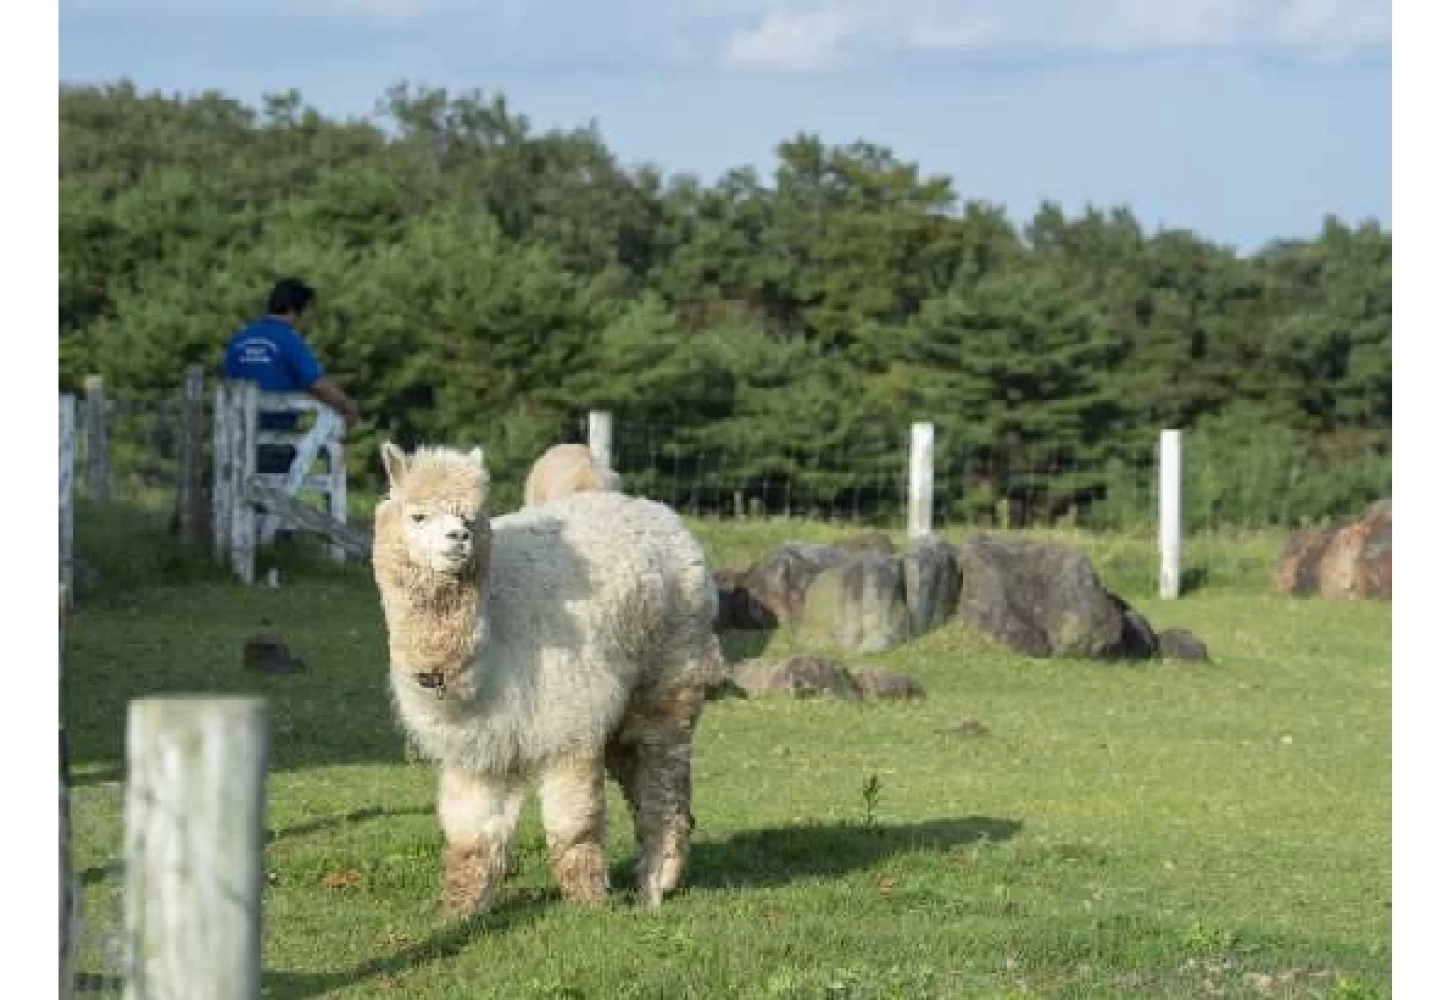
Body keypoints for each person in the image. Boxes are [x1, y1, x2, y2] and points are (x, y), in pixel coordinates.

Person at [221, 278, 361, 474]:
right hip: (272, 441)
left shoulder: (239, 341)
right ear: (298, 310)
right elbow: (318, 385)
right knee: (272, 497)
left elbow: (227, 382)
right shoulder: (289, 340)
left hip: (233, 440)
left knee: (240, 501)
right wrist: (347, 406)